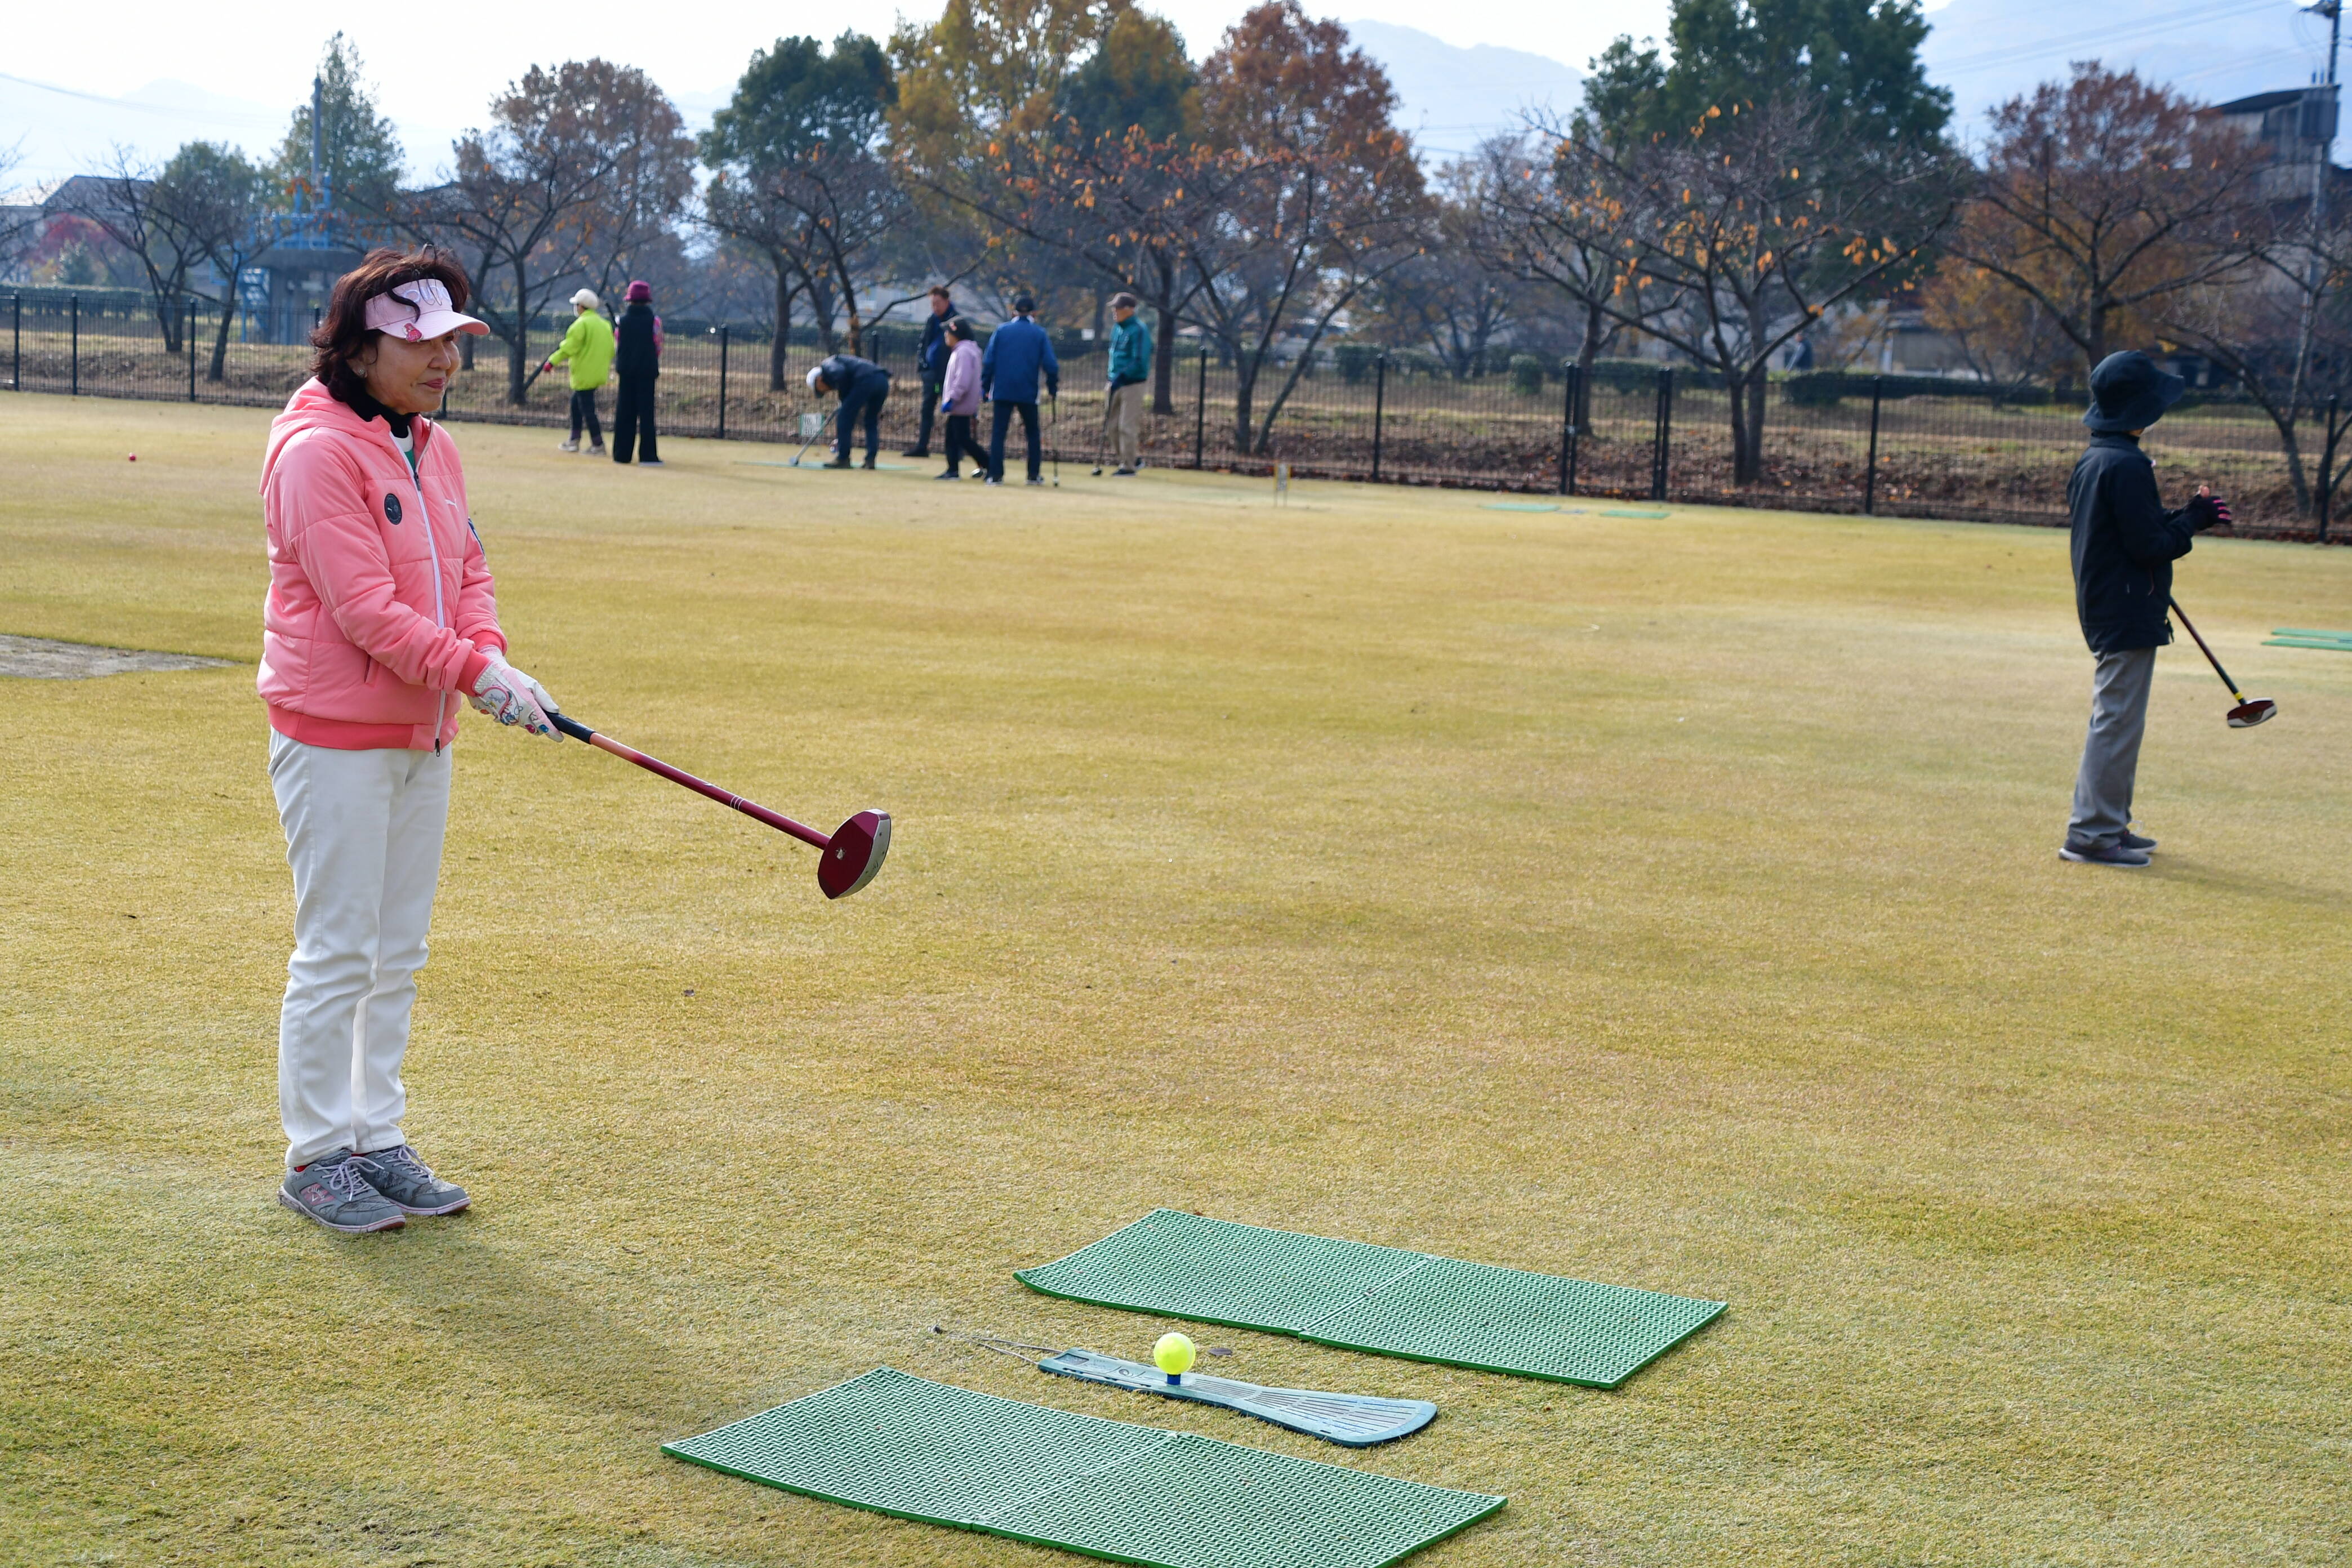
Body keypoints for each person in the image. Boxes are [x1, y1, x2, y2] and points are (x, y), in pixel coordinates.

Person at [259, 246, 564, 1234]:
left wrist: (491, 654)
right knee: (339, 951)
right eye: (424, 343)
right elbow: (365, 612)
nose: (446, 361)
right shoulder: (315, 454)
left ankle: (375, 1135)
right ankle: (318, 1155)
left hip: (422, 734)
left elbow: (467, 571)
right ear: (360, 349)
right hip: (336, 739)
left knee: (397, 951)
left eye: (454, 343)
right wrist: (477, 673)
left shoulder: (434, 446)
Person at [2061, 350, 2231, 868]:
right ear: (2141, 410)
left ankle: (2110, 822)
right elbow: (2150, 547)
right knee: (2116, 722)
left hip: (2114, 603)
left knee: (2121, 722)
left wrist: (2188, 515)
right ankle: (2091, 834)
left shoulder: (2099, 458)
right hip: (2125, 609)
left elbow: (2137, 528)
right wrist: (2194, 521)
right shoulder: (2126, 464)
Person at [982, 293, 1058, 486]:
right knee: (1032, 433)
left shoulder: (1002, 331)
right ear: (1034, 313)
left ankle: (995, 475)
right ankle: (1033, 474)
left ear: (1014, 312)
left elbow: (989, 361)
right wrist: (1052, 386)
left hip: (1003, 389)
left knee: (999, 433)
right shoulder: (1039, 333)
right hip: (1028, 390)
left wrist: (985, 386)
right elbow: (1050, 364)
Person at [544, 287, 614, 456]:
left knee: (587, 409)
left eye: (576, 305)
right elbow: (611, 349)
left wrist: (552, 362)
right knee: (576, 405)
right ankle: (574, 440)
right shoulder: (604, 325)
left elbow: (569, 348)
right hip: (598, 373)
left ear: (581, 306)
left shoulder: (581, 324)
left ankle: (598, 444)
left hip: (584, 374)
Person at [808, 351, 893, 469]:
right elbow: (845, 378)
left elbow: (841, 374)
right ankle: (870, 460)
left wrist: (844, 399)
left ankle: (843, 458)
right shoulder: (836, 365)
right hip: (882, 380)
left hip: (866, 381)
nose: (824, 391)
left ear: (819, 379)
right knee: (871, 421)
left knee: (843, 418)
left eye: (819, 389)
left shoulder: (827, 364)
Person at [1102, 291, 1154, 475]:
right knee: (1112, 427)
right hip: (1114, 382)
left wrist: (1122, 376)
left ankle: (1128, 467)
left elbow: (1139, 360)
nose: (1114, 311)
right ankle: (1132, 459)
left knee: (1126, 426)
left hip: (1132, 384)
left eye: (1118, 308)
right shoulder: (1117, 329)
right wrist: (1112, 377)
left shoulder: (1139, 330)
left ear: (1130, 310)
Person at [612, 279, 662, 467]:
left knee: (624, 413)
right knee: (647, 414)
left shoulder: (621, 321)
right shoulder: (655, 321)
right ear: (648, 300)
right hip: (647, 371)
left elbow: (618, 345)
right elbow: (658, 345)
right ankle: (648, 456)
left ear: (630, 300)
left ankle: (621, 454)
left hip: (626, 370)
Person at [934, 317, 991, 480]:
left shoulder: (963, 352)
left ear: (956, 334)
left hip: (960, 403)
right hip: (964, 403)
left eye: (948, 332)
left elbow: (962, 380)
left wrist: (952, 398)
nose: (946, 335)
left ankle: (989, 464)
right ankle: (953, 469)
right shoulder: (968, 350)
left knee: (962, 439)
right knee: (954, 437)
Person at [904, 284, 953, 457]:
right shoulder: (932, 320)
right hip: (931, 375)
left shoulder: (956, 321)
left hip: (949, 375)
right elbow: (923, 344)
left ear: (946, 301)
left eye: (938, 303)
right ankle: (922, 446)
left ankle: (955, 448)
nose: (935, 307)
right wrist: (924, 366)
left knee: (953, 412)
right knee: (927, 409)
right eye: (933, 303)